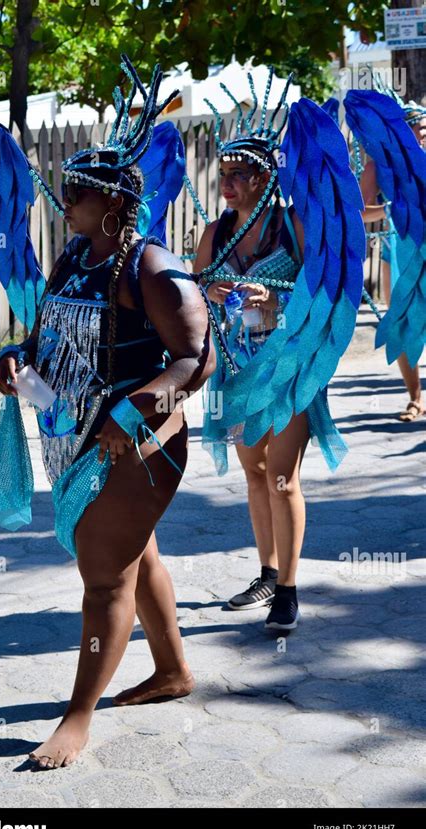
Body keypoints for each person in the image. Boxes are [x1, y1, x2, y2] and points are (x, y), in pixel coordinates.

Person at [0, 57, 216, 769]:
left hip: (138, 446)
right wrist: (15, 359)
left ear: (112, 204)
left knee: (105, 578)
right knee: (134, 554)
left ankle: (77, 716)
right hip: (75, 438)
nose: (64, 204)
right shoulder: (74, 259)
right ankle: (175, 672)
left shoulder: (152, 267)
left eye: (76, 196)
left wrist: (140, 408)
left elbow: (197, 359)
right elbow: (45, 331)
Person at [191, 71, 365, 631]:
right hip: (235, 374)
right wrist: (208, 291)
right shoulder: (212, 236)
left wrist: (277, 295)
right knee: (254, 472)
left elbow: (331, 288)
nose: (228, 186)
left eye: (240, 175)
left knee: (283, 476)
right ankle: (266, 572)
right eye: (224, 175)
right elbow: (188, 297)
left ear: (267, 177)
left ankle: (288, 589)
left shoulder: (294, 226)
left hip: (289, 370)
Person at [359, 109, 426, 421]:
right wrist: (391, 208)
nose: (424, 133)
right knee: (400, 323)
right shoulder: (379, 167)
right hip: (398, 249)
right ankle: (416, 397)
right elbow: (357, 212)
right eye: (420, 127)